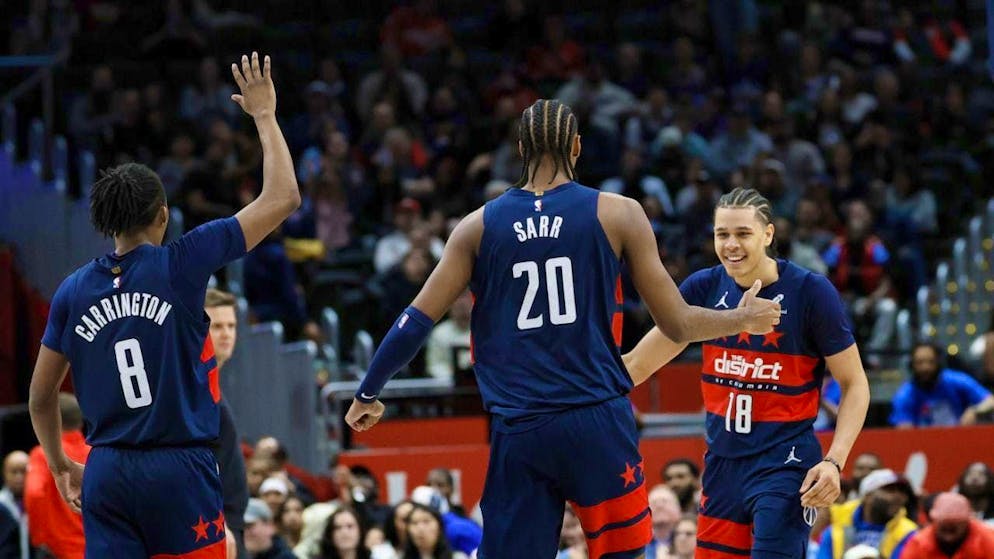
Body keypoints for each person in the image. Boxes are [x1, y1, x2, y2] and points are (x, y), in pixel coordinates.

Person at [344, 99, 782, 558]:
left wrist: (368, 392)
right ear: (576, 147)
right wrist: (741, 318)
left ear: (520, 149)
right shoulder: (618, 213)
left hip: (522, 428)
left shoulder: (476, 227)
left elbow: (414, 321)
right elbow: (677, 323)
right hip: (597, 420)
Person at [28, 51, 301, 558]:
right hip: (178, 468)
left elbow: (41, 397)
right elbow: (283, 197)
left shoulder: (71, 290)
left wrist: (62, 466)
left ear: (106, 223)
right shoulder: (181, 262)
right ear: (163, 215)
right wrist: (264, 115)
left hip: (107, 468)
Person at [624, 187, 871, 558]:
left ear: (768, 234)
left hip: (785, 464)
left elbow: (855, 384)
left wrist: (835, 460)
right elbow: (638, 364)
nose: (731, 245)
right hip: (722, 465)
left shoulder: (811, 292)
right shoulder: (703, 287)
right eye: (722, 234)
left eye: (743, 233)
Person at [205, 287, 251, 557]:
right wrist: (215, 519)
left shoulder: (211, 384)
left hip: (228, 522)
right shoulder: (193, 389)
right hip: (211, 525)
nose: (226, 334)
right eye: (217, 326)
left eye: (231, 326)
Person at [24, 393, 89, 559]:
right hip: (99, 547)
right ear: (81, 420)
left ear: (50, 419)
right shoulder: (96, 453)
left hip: (61, 550)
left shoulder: (42, 455)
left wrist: (40, 539)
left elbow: (34, 493)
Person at [818, 469, 917, 559]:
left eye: (902, 492)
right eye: (890, 490)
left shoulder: (908, 533)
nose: (899, 497)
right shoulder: (836, 530)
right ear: (867, 496)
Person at [890, 343, 994, 427]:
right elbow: (904, 428)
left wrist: (975, 410)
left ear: (938, 363)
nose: (925, 368)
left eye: (930, 362)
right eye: (920, 363)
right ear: (911, 365)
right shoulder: (905, 395)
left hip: (959, 438)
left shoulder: (956, 380)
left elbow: (991, 401)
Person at [901, 492, 994, 558]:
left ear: (967, 522)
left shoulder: (988, 540)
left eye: (954, 523)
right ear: (934, 521)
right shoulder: (919, 544)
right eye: (944, 523)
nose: (948, 528)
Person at [0, 451, 27, 559]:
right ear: (4, 473)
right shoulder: (1, 504)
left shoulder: (38, 505)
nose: (19, 477)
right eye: (14, 472)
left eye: (23, 471)